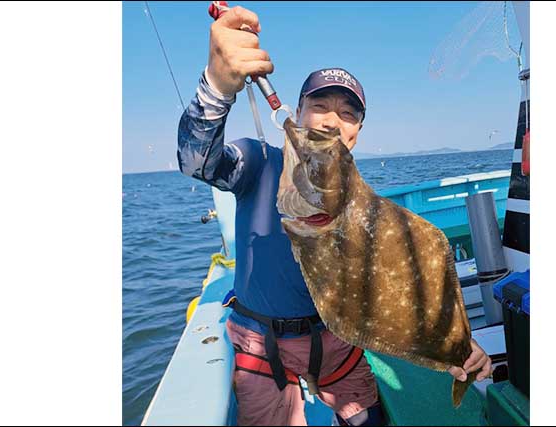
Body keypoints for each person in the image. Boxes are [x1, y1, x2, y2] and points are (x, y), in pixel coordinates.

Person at [177, 6, 492, 426]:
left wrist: (455, 348)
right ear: (299, 111)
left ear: (357, 129)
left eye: (348, 113)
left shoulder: (367, 209)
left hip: (337, 345)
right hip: (261, 344)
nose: (331, 119)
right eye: (320, 104)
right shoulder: (258, 162)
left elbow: (405, 291)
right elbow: (197, 162)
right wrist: (216, 86)